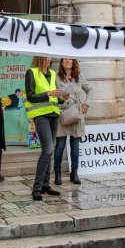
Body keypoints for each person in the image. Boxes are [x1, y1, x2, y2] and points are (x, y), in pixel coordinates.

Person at [25, 56, 67, 201]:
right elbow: (30, 96)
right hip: (40, 115)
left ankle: (45, 185)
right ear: (41, 57)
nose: (50, 58)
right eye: (47, 56)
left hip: (54, 114)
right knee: (48, 149)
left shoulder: (53, 74)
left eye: (50, 56)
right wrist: (48, 94)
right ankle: (36, 188)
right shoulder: (31, 72)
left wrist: (63, 97)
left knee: (50, 149)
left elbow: (55, 96)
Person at [55, 58, 91, 186]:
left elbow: (90, 90)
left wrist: (86, 103)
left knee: (75, 146)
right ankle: (57, 173)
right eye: (64, 59)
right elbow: (53, 95)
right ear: (61, 62)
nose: (67, 61)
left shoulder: (79, 77)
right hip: (63, 115)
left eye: (69, 59)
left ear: (74, 62)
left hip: (76, 115)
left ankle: (74, 173)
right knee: (60, 146)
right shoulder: (56, 77)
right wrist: (60, 97)